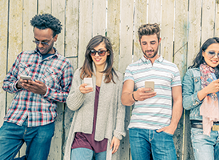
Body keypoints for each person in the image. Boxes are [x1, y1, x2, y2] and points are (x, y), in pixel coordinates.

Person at [0, 14, 73, 160]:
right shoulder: (23, 56)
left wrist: (46, 91)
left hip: (42, 124)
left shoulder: (64, 65)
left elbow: (69, 97)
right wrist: (18, 85)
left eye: (44, 42)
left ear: (55, 38)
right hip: (14, 120)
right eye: (37, 41)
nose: (40, 45)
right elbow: (6, 83)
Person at [121, 23, 182, 160]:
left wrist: (172, 126)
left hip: (163, 130)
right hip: (138, 131)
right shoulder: (132, 68)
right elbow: (125, 98)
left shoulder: (172, 68)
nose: (149, 47)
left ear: (159, 41)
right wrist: (135, 96)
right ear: (139, 43)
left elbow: (178, 100)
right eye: (145, 43)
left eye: (153, 42)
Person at [64, 35, 126, 160]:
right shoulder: (80, 74)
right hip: (82, 136)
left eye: (101, 52)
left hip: (105, 136)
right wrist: (79, 92)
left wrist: (117, 134)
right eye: (93, 51)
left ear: (108, 52)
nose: (97, 55)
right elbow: (71, 105)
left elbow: (121, 108)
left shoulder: (117, 78)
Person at [182, 37, 219, 160]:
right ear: (203, 53)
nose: (215, 57)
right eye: (211, 52)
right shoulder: (192, 74)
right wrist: (206, 90)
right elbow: (186, 104)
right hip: (202, 131)